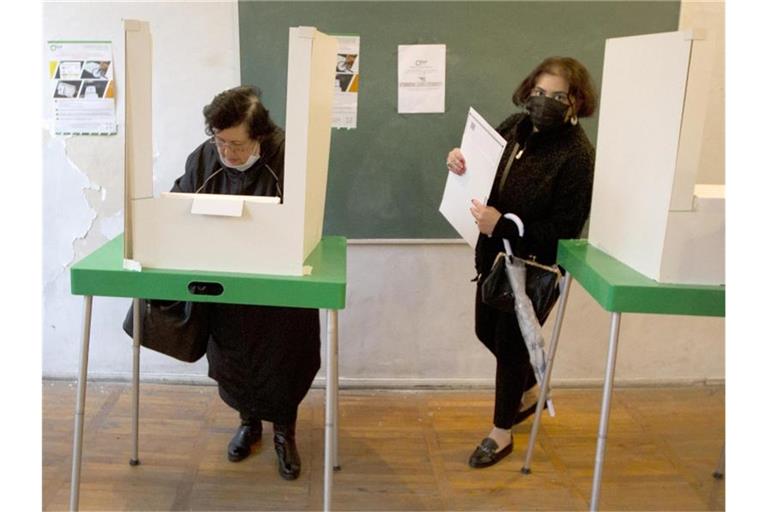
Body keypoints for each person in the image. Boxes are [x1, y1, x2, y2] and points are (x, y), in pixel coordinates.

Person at [445, 57, 597, 468]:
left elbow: (565, 230)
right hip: (494, 257)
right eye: (539, 93)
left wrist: (507, 226)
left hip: (533, 267)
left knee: (511, 347)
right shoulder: (514, 125)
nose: (544, 102)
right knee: (484, 331)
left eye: (558, 96)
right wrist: (459, 161)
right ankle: (530, 390)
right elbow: (480, 167)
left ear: (576, 102)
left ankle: (501, 433)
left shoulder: (578, 155)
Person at [171, 85, 321, 480]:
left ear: (259, 135)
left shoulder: (288, 158)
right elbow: (178, 204)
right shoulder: (205, 158)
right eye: (219, 141)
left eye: (236, 144)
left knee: (282, 362)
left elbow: (307, 223)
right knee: (232, 359)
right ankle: (248, 423)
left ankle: (284, 433)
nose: (227, 152)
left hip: (278, 290)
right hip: (226, 286)